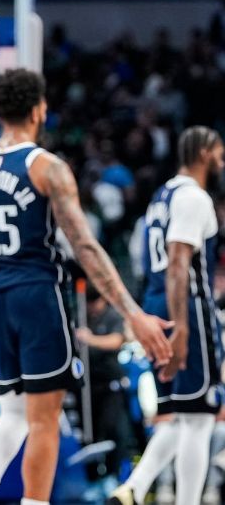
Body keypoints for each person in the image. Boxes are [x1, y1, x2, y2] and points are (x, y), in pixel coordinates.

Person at [0, 68, 172, 505]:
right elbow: (85, 247)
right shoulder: (47, 167)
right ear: (38, 110)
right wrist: (133, 314)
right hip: (37, 295)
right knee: (43, 420)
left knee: (13, 412)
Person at [108, 126, 224, 505]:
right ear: (204, 153)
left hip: (157, 303)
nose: (222, 162)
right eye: (219, 154)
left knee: (177, 415)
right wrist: (184, 330)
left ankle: (134, 487)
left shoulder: (162, 196)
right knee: (200, 419)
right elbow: (178, 263)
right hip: (185, 307)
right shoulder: (194, 197)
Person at [75, 287, 136, 479]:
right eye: (89, 302)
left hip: (110, 385)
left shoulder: (112, 316)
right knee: (89, 433)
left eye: (95, 302)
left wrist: (90, 339)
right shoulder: (81, 316)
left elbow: (116, 341)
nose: (92, 307)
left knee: (113, 429)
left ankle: (115, 476)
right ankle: (94, 478)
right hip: (87, 386)